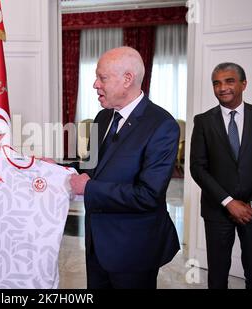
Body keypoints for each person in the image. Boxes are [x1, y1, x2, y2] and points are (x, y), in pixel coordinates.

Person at [69, 47, 180, 289]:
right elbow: (90, 167)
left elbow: (148, 195)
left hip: (134, 249)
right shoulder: (102, 118)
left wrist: (89, 189)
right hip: (97, 243)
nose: (95, 84)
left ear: (127, 79)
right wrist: (54, 167)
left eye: (102, 78)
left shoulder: (162, 126)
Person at [190, 62, 252, 289]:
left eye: (229, 81)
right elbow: (198, 168)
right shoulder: (203, 121)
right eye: (217, 83)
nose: (222, 87)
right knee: (217, 274)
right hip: (217, 208)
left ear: (244, 84)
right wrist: (229, 202)